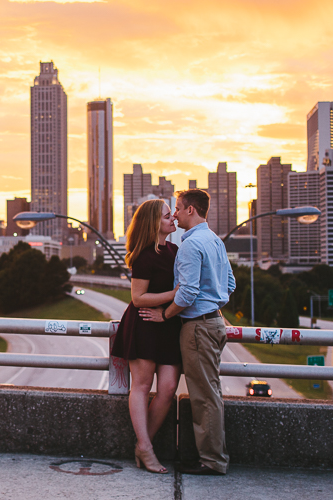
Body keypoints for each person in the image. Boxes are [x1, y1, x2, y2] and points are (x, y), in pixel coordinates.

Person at [139, 189, 236, 476]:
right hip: (214, 322)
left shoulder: (192, 245)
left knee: (204, 396)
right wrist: (214, 303)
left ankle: (212, 461)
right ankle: (213, 457)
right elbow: (229, 285)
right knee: (211, 391)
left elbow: (188, 292)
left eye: (179, 208)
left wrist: (164, 315)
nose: (176, 214)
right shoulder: (215, 240)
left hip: (198, 328)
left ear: (191, 210)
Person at [110, 199, 182, 474]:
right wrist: (175, 295)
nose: (173, 218)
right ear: (154, 222)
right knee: (140, 386)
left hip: (168, 324)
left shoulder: (174, 250)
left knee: (167, 388)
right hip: (144, 324)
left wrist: (169, 308)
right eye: (167, 216)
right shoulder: (144, 255)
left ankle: (143, 446)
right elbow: (138, 298)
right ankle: (146, 448)